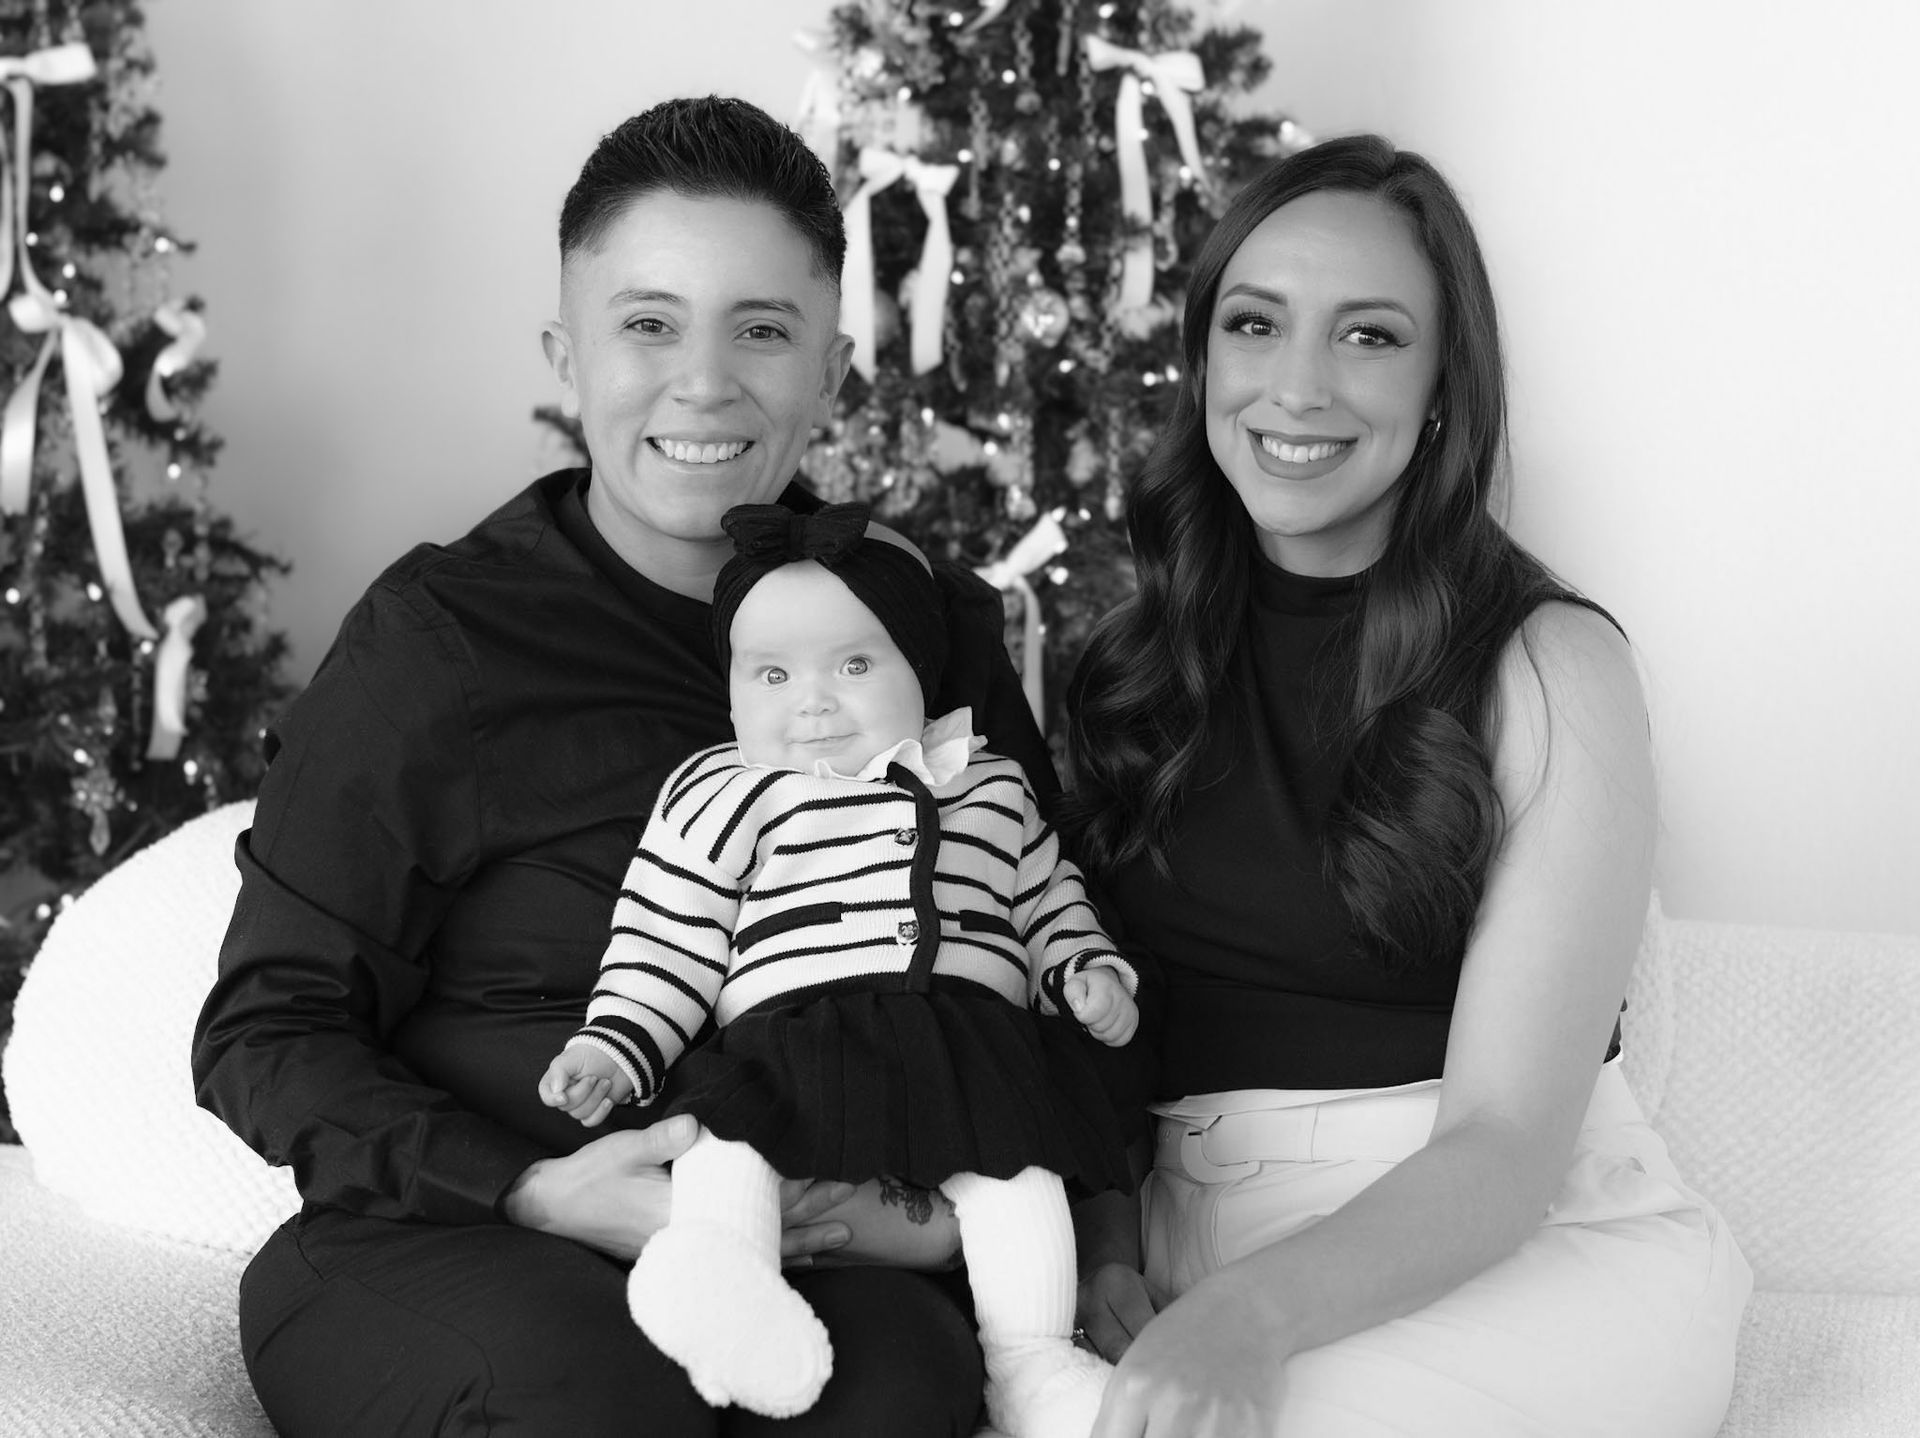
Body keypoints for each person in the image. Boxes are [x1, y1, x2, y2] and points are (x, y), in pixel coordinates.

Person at [191, 96, 1048, 1437]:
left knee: (899, 1391)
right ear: (567, 355)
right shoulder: (440, 644)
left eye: (761, 329)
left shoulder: (926, 627)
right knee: (599, 1396)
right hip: (453, 1235)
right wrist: (535, 1187)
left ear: (832, 370)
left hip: (807, 1236)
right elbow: (268, 1029)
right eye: (647, 324)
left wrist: (966, 1215)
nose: (703, 383)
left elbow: (1046, 947)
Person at [1063, 133, 1753, 1437]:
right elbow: (1086, 1026)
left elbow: (1503, 1143)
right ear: (1206, 358)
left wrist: (1246, 1316)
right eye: (1256, 324)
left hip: (1514, 1239)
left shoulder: (1552, 666)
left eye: (1370, 336)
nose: (1299, 385)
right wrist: (1107, 1239)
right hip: (1199, 1236)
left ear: (1444, 382)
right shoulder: (1121, 665)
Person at [539, 500, 1137, 1435]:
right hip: (791, 1032)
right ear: (731, 684)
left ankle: (1031, 1361)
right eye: (770, 673)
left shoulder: (986, 782)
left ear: (920, 671)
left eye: (854, 666)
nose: (811, 700)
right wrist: (615, 1045)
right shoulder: (721, 790)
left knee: (1019, 1179)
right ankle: (725, 1283)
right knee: (724, 1141)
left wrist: (1083, 969)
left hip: (968, 1040)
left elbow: (1045, 898)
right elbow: (667, 939)